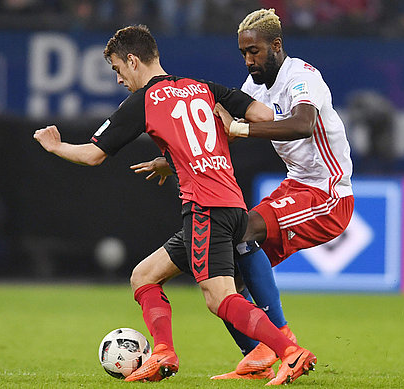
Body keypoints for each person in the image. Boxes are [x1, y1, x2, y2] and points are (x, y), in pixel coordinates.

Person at [33, 24, 316, 385]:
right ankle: (164, 352)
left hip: (204, 209)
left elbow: (92, 155)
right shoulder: (204, 87)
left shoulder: (143, 101)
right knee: (144, 276)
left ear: (133, 61)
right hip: (232, 204)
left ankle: (289, 352)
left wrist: (54, 145)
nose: (120, 79)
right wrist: (224, 127)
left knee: (219, 298)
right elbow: (263, 115)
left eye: (118, 69)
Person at [133, 8, 354, 380]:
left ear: (276, 45)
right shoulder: (253, 90)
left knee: (241, 229)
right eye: (243, 53)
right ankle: (256, 355)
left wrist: (242, 129)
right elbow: (214, 138)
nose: (249, 60)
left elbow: (303, 124)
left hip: (328, 193)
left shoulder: (301, 76)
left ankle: (284, 340)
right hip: (296, 186)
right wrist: (170, 163)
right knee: (225, 275)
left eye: (255, 51)